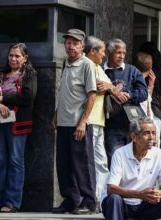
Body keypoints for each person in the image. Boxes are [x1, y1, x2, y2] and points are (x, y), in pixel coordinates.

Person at [51, 29, 97, 214]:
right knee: (64, 165)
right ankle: (71, 200)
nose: (70, 46)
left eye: (75, 43)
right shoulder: (65, 64)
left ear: (82, 45)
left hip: (79, 124)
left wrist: (83, 122)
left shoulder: (87, 65)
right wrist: (56, 114)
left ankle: (89, 202)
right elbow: (65, 93)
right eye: (68, 42)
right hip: (63, 123)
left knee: (83, 165)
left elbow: (91, 95)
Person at [101, 117, 161, 220]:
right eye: (146, 133)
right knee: (114, 199)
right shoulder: (120, 154)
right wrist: (140, 194)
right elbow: (111, 188)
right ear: (134, 137)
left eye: (153, 133)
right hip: (123, 205)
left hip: (146, 206)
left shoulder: (159, 154)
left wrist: (157, 194)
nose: (151, 137)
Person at [0, 43, 37, 212]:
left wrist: (2, 99)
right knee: (0, 161)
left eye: (17, 56)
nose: (13, 59)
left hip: (18, 124)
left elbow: (27, 97)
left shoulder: (29, 75)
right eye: (11, 55)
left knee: (16, 161)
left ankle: (12, 202)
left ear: (25, 58)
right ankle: (0, 199)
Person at [99, 38, 148, 165]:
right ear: (109, 53)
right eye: (118, 52)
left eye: (124, 53)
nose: (121, 56)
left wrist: (129, 95)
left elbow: (144, 93)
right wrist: (111, 90)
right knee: (116, 162)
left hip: (133, 125)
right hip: (111, 126)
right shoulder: (101, 71)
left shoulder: (132, 71)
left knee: (136, 161)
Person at [84, 36, 111, 206]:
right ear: (93, 51)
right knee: (90, 162)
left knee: (101, 162)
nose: (105, 54)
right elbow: (96, 88)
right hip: (89, 120)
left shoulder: (98, 67)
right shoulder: (86, 65)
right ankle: (92, 199)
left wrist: (110, 87)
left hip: (99, 121)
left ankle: (100, 199)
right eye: (102, 51)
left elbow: (111, 86)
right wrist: (108, 88)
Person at [134, 51, 156, 118]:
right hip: (141, 120)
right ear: (150, 68)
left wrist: (150, 86)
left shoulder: (133, 79)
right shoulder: (140, 82)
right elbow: (146, 104)